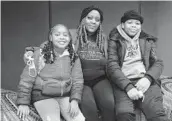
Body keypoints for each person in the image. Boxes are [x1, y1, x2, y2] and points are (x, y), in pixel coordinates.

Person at [24, 5, 115, 121]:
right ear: (83, 19)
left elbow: (113, 58)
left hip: (100, 79)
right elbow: (49, 45)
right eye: (89, 18)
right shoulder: (71, 34)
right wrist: (31, 51)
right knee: (89, 107)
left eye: (97, 20)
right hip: (81, 81)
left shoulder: (103, 39)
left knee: (109, 104)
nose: (93, 22)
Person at [107, 10, 169, 121]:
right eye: (130, 22)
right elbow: (112, 66)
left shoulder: (147, 40)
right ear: (122, 25)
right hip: (123, 83)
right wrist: (128, 87)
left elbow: (158, 63)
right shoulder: (114, 40)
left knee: (157, 114)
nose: (134, 26)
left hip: (145, 81)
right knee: (123, 115)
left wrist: (148, 78)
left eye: (137, 23)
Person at [16, 24, 85, 121]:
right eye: (57, 35)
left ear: (69, 38)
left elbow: (78, 80)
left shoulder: (73, 56)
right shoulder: (39, 54)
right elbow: (26, 79)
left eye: (65, 35)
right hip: (43, 95)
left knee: (79, 119)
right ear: (51, 37)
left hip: (63, 95)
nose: (62, 37)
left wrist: (74, 100)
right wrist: (23, 102)